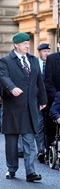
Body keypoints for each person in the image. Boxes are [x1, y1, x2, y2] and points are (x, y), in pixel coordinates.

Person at [0, 32, 47, 181]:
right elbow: (3, 77)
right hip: (13, 107)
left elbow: (39, 81)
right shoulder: (6, 61)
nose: (27, 46)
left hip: (30, 106)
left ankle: (30, 172)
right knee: (12, 143)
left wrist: (43, 100)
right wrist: (11, 88)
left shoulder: (33, 60)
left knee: (29, 141)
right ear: (16, 45)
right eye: (24, 44)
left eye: (28, 43)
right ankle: (12, 169)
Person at [36, 43, 51, 163]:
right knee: (39, 125)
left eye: (48, 51)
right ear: (39, 52)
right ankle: (41, 150)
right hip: (36, 100)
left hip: (50, 100)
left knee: (49, 126)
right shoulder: (34, 63)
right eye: (44, 51)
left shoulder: (52, 64)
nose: (46, 53)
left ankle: (49, 149)